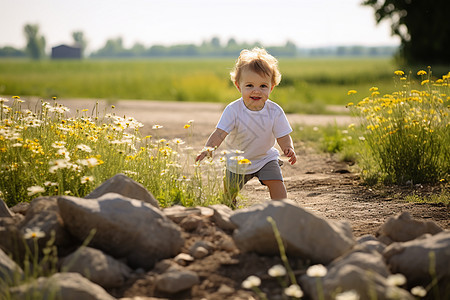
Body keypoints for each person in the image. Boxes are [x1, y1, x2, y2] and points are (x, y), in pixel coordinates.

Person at [196, 47, 296, 205]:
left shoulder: (275, 111)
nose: (256, 91)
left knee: (276, 181)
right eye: (249, 85)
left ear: (271, 87)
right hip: (237, 161)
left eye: (263, 86)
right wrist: (208, 149)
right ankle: (229, 205)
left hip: (265, 158)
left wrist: (288, 147)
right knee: (229, 193)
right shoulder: (233, 110)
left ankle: (281, 207)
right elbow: (219, 133)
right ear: (238, 86)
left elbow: (282, 134)